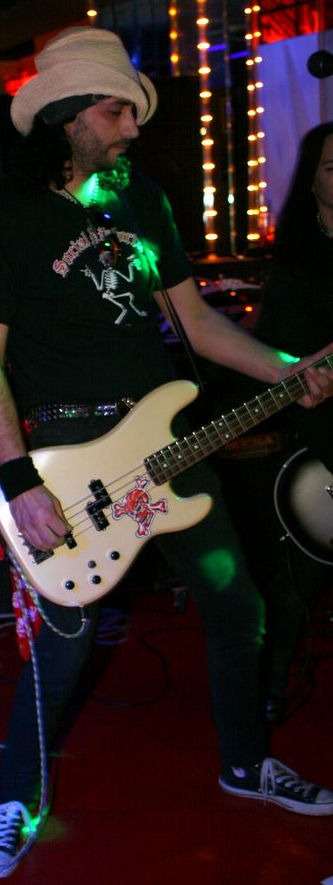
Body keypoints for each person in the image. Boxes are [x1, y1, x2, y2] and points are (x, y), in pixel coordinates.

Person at [0, 27, 333, 879]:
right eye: (115, 110)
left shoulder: (143, 200)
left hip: (167, 445)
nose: (132, 126)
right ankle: (13, 797)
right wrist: (19, 478)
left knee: (237, 606)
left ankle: (245, 764)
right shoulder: (4, 214)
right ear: (67, 117)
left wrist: (287, 369)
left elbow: (195, 323)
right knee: (65, 640)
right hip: (64, 452)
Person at [252, 122, 333, 720]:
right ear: (311, 182)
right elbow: (275, 364)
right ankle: (268, 689)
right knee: (294, 578)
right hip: (317, 437)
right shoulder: (297, 266)